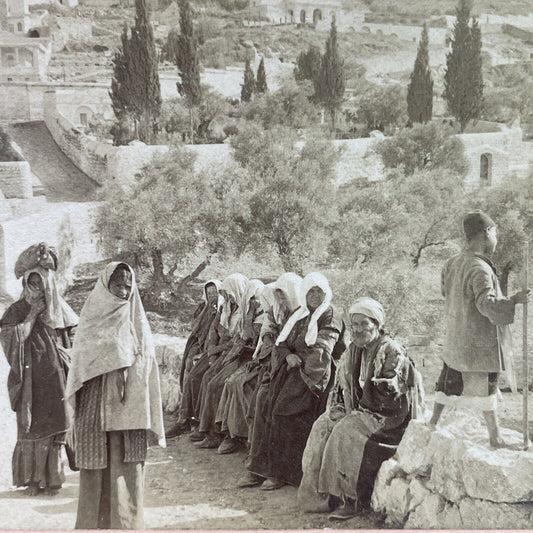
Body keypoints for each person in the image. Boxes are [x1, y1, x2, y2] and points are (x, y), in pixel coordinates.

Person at [298, 297, 424, 520]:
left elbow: (395, 399)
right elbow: (346, 386)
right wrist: (344, 408)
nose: (356, 330)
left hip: (389, 419)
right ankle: (323, 496)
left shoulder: (390, 350)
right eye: (354, 325)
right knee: (325, 424)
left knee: (345, 432)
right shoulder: (356, 350)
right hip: (365, 410)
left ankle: (352, 500)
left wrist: (360, 409)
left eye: (363, 324)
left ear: (376, 324)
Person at [66, 262, 165, 529]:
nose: (122, 291)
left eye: (127, 286)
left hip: (128, 405)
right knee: (96, 463)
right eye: (117, 285)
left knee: (125, 463)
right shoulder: (91, 316)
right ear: (105, 285)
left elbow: (147, 360)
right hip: (95, 403)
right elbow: (80, 363)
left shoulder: (137, 319)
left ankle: (125, 525)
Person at [428, 211, 530, 448]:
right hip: (479, 344)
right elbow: (487, 305)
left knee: (447, 383)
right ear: (485, 233)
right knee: (488, 390)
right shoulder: (480, 268)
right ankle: (495, 437)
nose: (496, 237)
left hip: (455, 339)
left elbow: (447, 293)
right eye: (495, 232)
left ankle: (432, 422)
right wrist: (514, 300)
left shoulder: (451, 262)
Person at [245, 272, 344, 491]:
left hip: (316, 376)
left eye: (319, 291)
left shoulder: (330, 314)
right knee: (266, 405)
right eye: (311, 291)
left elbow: (322, 350)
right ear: (304, 293)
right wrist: (288, 357)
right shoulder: (299, 314)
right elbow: (280, 344)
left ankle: (281, 473)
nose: (315, 295)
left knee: (283, 412)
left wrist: (302, 373)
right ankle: (260, 469)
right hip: (291, 371)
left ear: (326, 292)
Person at [0, 246, 78, 496]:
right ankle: (32, 481)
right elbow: (12, 339)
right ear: (25, 283)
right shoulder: (16, 310)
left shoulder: (61, 310)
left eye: (41, 284)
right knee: (30, 425)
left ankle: (53, 480)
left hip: (56, 379)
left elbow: (73, 340)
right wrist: (32, 315)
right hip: (29, 380)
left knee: (58, 424)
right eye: (31, 284)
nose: (36, 289)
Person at [196, 278, 263, 449]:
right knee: (208, 378)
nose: (228, 298)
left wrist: (222, 352)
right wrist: (214, 353)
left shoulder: (258, 315)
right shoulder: (233, 310)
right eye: (225, 294)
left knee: (219, 383)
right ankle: (206, 429)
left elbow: (244, 339)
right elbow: (217, 332)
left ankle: (222, 433)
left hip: (247, 357)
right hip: (235, 353)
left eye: (229, 294)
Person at [215, 282, 276, 454]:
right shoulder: (258, 316)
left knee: (240, 384)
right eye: (252, 299)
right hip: (256, 360)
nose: (255, 302)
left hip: (266, 364)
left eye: (257, 299)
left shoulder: (270, 318)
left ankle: (242, 435)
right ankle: (230, 432)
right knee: (231, 382)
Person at [166, 280, 223, 439]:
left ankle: (191, 419)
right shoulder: (204, 308)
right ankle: (184, 418)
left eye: (215, 293)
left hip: (213, 351)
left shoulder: (222, 310)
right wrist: (207, 309)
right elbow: (197, 330)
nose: (212, 296)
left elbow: (217, 337)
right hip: (200, 346)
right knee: (187, 371)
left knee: (195, 375)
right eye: (209, 293)